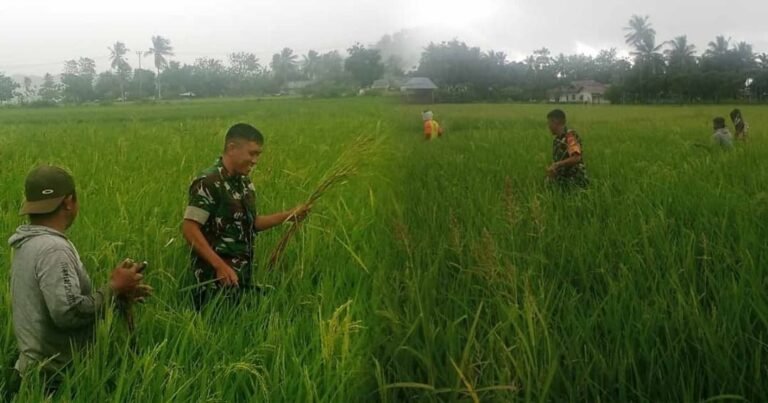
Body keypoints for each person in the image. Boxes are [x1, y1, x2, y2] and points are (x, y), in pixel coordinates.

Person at [7, 166, 150, 395]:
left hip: (33, 374)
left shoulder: (28, 243)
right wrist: (113, 287)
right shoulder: (54, 249)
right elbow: (69, 313)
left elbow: (52, 305)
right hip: (52, 381)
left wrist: (117, 296)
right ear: (69, 202)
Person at [182, 123, 310, 310]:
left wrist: (290, 215)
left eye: (258, 154)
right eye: (252, 153)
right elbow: (189, 228)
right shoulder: (209, 182)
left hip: (240, 277)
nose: (255, 160)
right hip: (213, 280)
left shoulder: (244, 184)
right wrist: (219, 266)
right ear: (232, 148)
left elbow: (252, 223)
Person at [546, 109, 588, 188]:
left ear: (555, 122)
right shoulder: (557, 140)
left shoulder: (570, 136)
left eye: (549, 123)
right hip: (563, 179)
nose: (548, 126)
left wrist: (557, 165)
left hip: (575, 181)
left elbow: (576, 158)